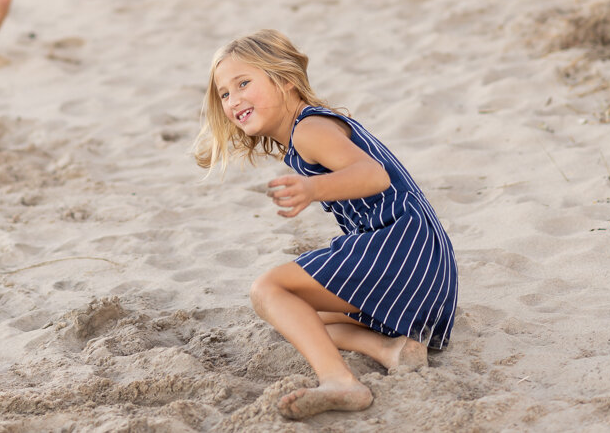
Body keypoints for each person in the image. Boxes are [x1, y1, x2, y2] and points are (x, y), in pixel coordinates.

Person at [194, 29, 458, 420]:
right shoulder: (304, 132)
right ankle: (391, 349)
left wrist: (312, 188)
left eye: (244, 83)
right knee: (298, 318)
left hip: (402, 249)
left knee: (268, 290)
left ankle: (340, 382)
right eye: (225, 94)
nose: (234, 100)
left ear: (285, 80)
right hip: (426, 269)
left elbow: (374, 176)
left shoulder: (309, 129)